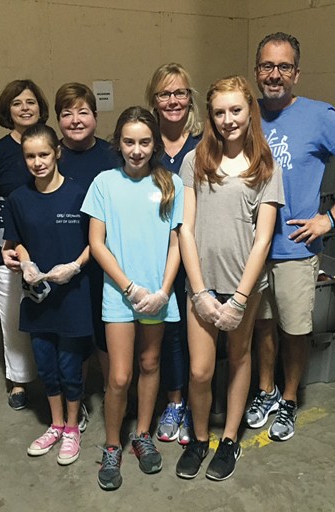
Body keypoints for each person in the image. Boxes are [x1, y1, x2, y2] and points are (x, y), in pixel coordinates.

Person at [247, 32, 335, 442]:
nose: (275, 75)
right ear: (257, 72)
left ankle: (288, 397)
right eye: (267, 66)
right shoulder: (244, 114)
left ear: (297, 74)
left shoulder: (319, 116)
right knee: (262, 326)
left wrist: (329, 218)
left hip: (294, 246)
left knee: (295, 328)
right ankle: (265, 391)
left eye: (284, 67)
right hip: (251, 249)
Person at [175, 75, 284, 481]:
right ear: (210, 116)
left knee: (239, 360)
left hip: (245, 287)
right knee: (201, 371)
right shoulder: (194, 161)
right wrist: (200, 292)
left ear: (249, 111)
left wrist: (239, 299)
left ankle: (230, 440)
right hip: (201, 285)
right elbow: (186, 228)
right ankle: (200, 439)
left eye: (235, 110)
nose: (228, 119)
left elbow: (263, 238)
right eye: (219, 112)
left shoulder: (264, 166)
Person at [82, 106, 184, 491]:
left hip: (157, 297)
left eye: (144, 142)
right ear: (118, 143)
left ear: (155, 143)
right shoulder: (104, 183)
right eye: (129, 142)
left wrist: (162, 291)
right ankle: (112, 446)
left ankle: (142, 434)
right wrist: (130, 288)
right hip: (120, 297)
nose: (137, 150)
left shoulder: (172, 184)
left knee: (150, 362)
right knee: (120, 376)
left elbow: (177, 242)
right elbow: (96, 243)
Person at [3, 124, 93, 466]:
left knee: (71, 366)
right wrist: (24, 262)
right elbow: (17, 240)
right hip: (38, 298)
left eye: (44, 154)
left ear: (57, 152)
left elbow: (95, 242)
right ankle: (55, 424)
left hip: (73, 297)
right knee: (46, 365)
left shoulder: (79, 194)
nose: (38, 162)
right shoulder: (18, 199)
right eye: (30, 156)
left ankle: (72, 427)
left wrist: (75, 265)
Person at [0, 79, 48, 410]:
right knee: (13, 317)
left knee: (50, 317)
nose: (25, 108)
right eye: (18, 103)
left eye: (31, 102)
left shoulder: (51, 143)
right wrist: (8, 224)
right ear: (8, 111)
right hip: (8, 250)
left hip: (50, 247)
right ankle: (19, 381)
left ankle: (55, 381)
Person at [54, 82, 120, 419]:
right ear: (58, 120)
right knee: (73, 337)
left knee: (105, 331)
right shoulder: (54, 157)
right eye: (67, 113)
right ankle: (75, 402)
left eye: (83, 112)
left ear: (95, 115)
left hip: (105, 260)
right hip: (65, 260)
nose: (76, 120)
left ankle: (112, 395)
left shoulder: (112, 155)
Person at [145, 63, 203, 445]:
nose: (173, 101)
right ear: (153, 101)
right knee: (161, 333)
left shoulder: (204, 144)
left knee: (186, 332)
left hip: (196, 252)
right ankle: (170, 401)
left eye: (179, 92)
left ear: (190, 98)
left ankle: (187, 403)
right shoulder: (143, 144)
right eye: (165, 94)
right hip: (155, 254)